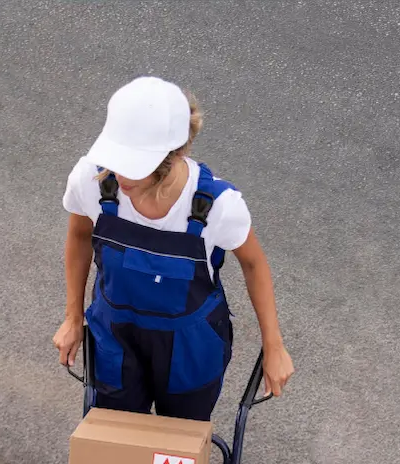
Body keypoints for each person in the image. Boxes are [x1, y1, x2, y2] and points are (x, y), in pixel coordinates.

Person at [53, 76, 294, 421]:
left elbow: (254, 265)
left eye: (133, 165)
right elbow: (78, 237)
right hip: (115, 340)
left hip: (190, 349)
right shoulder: (90, 181)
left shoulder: (216, 205)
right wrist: (73, 317)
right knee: (118, 438)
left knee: (176, 448)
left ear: (173, 154)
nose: (119, 176)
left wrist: (274, 347)